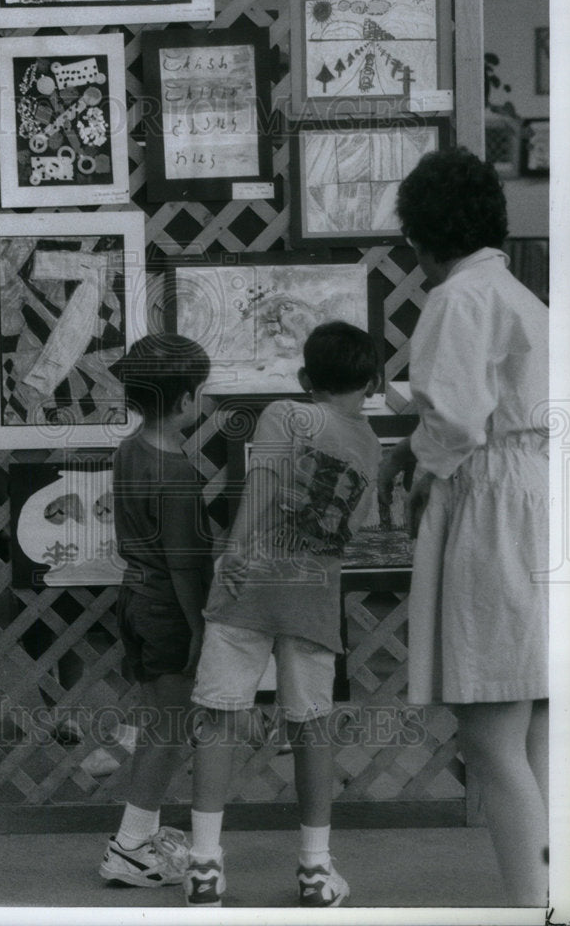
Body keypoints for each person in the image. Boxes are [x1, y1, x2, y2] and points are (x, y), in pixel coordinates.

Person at [380, 147, 549, 907]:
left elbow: (452, 419)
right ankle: (548, 894)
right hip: (538, 496)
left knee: (488, 729)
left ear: (419, 234)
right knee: (532, 723)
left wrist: (419, 469)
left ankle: (532, 905)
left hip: (489, 502)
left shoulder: (456, 298)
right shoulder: (515, 293)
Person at [183, 321, 382, 908]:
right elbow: (358, 526)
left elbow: (262, 487)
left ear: (304, 378)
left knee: (218, 718)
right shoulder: (369, 445)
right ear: (370, 381)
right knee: (312, 726)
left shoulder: (284, 415)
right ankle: (316, 869)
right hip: (313, 598)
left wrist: (235, 554)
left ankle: (203, 866)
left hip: (251, 588)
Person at [98, 333, 214, 888]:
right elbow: (186, 567)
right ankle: (130, 846)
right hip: (169, 608)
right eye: (202, 392)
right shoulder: (180, 475)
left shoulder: (129, 449)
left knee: (156, 724)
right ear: (188, 399)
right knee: (169, 731)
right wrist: (200, 628)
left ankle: (143, 834)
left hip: (135, 598)